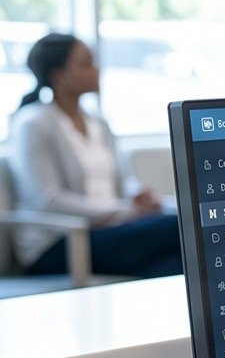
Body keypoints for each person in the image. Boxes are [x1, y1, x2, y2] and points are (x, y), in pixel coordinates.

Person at [7, 34, 181, 279]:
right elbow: (48, 200)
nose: (96, 70)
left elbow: (120, 180)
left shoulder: (97, 122)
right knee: (180, 225)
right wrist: (124, 210)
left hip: (109, 232)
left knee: (182, 267)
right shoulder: (33, 123)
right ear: (58, 74)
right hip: (60, 243)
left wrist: (137, 194)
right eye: (85, 64)